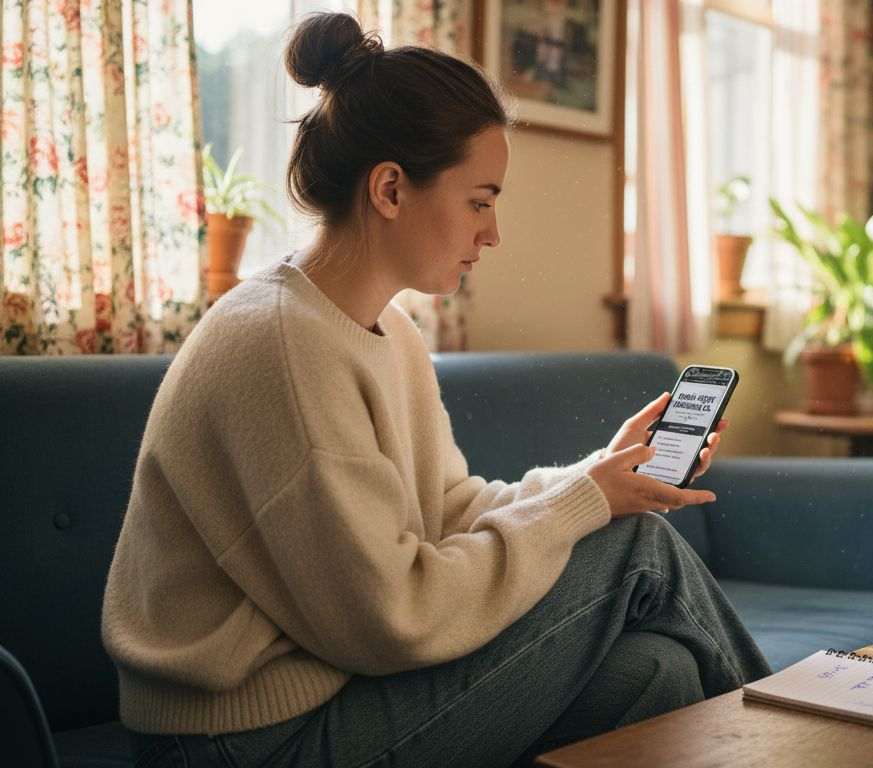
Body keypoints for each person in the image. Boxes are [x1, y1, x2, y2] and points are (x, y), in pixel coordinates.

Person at [102, 12, 770, 767]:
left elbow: (448, 513)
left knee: (660, 672)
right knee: (640, 549)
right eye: (480, 200)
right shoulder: (280, 344)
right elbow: (391, 618)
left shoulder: (384, 330)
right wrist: (590, 508)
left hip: (334, 696)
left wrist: (596, 475)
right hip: (242, 742)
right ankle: (805, 740)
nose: (493, 234)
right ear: (390, 188)